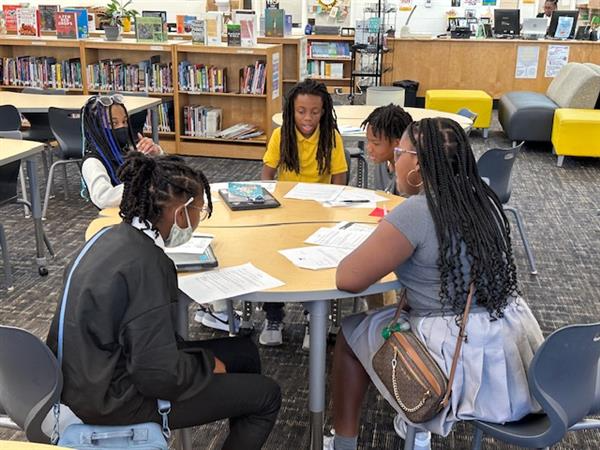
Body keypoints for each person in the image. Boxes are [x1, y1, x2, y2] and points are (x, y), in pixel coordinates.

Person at [325, 118, 544, 450]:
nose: (393, 161)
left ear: (415, 163)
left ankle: (345, 442)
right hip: (507, 339)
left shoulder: (416, 211)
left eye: (398, 151)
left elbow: (348, 279)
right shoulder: (483, 199)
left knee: (350, 335)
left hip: (453, 349)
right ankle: (418, 429)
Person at [47, 153, 281, 450]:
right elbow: (157, 375)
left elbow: (148, 345)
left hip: (83, 376)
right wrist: (207, 365)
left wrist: (204, 363)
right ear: (179, 213)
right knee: (267, 395)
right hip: (111, 399)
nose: (199, 218)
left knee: (246, 354)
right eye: (200, 209)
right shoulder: (148, 264)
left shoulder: (110, 237)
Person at [260, 79, 348, 348]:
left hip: (319, 212)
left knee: (315, 265)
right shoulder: (281, 135)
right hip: (285, 211)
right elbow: (267, 173)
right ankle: (273, 316)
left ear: (324, 111)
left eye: (314, 111)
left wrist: (334, 207)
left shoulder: (331, 137)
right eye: (301, 111)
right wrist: (267, 204)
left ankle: (313, 317)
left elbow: (340, 175)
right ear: (291, 111)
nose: (307, 117)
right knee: (274, 261)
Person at [81, 94, 162, 210]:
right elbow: (103, 198)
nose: (122, 127)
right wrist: (142, 185)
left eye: (125, 122)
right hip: (118, 216)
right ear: (97, 127)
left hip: (140, 209)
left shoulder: (127, 149)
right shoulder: (92, 162)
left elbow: (163, 172)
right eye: (113, 124)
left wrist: (156, 153)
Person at [362, 104, 413, 195]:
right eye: (368, 141)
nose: (369, 148)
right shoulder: (382, 162)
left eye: (376, 143)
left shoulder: (410, 173)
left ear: (398, 143)